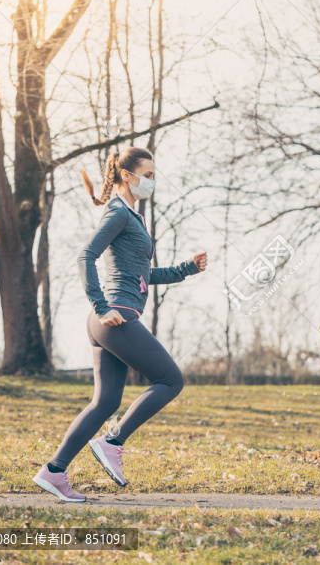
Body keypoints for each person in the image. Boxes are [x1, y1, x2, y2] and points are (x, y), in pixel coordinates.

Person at [32, 147, 207, 502]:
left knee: (105, 402)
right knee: (171, 380)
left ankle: (54, 471)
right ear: (127, 175)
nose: (152, 181)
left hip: (111, 319)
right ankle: (112, 441)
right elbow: (86, 256)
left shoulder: (133, 216)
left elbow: (143, 275)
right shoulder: (117, 212)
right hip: (114, 316)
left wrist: (186, 268)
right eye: (148, 174)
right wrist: (100, 306)